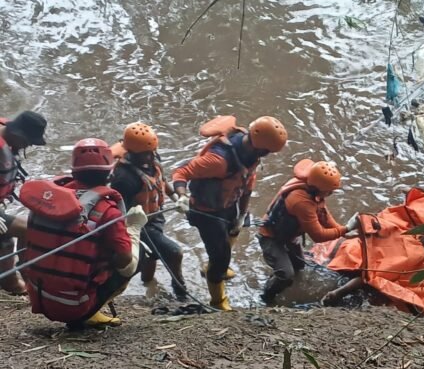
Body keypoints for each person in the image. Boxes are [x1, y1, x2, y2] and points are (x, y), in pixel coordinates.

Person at [18, 138, 147, 328]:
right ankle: (87, 313)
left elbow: (25, 246)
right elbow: (125, 261)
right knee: (139, 252)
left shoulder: (47, 201)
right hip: (74, 308)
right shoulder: (108, 211)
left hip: (38, 297)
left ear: (74, 171)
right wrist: (134, 227)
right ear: (109, 174)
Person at [172, 116, 288, 310]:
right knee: (220, 257)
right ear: (260, 147)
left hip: (228, 203)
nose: (268, 155)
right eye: (268, 151)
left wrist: (242, 214)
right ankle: (218, 301)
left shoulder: (251, 154)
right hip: (206, 212)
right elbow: (180, 172)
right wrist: (182, 196)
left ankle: (214, 266)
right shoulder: (218, 161)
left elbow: (247, 184)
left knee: (233, 232)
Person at [258, 160, 359, 304]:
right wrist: (346, 228)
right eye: (329, 191)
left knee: (299, 265)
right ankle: (266, 297)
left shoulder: (312, 188)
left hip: (288, 234)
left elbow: (323, 212)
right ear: (319, 188)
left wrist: (341, 231)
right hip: (271, 237)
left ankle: (279, 273)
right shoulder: (301, 202)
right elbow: (318, 235)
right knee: (287, 275)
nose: (331, 193)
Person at [109, 122, 186, 299]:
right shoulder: (124, 178)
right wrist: (132, 228)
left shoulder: (152, 159)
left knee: (152, 256)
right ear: (134, 153)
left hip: (156, 219)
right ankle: (181, 290)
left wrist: (176, 197)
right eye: (146, 154)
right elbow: (120, 211)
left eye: (153, 151)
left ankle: (148, 285)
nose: (152, 156)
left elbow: (160, 181)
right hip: (140, 226)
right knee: (175, 253)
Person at [0, 111, 47, 294]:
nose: (28, 146)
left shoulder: (7, 136)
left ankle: (22, 273)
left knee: (25, 229)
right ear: (18, 134)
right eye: (28, 142)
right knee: (22, 231)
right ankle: (13, 282)